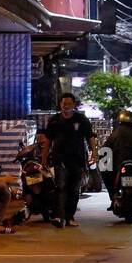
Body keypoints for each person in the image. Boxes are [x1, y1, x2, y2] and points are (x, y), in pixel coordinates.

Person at [43, 93, 96, 228]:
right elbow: (48, 140)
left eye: (68, 104)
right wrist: (43, 157)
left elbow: (90, 137)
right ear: (60, 105)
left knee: (73, 189)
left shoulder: (81, 119)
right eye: (63, 103)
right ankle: (59, 216)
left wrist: (94, 152)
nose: (65, 106)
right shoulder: (54, 120)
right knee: (60, 187)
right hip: (59, 159)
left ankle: (69, 216)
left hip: (78, 160)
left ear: (74, 105)